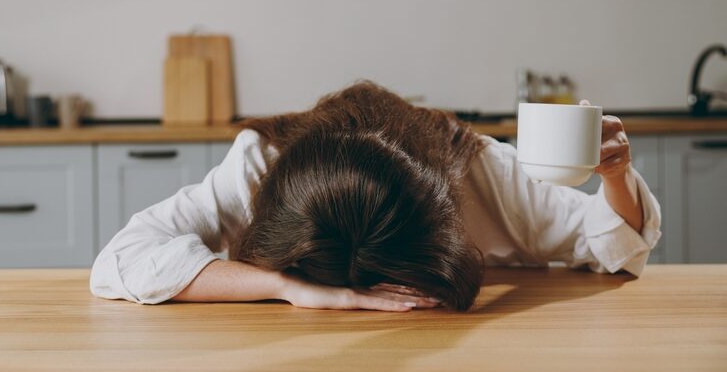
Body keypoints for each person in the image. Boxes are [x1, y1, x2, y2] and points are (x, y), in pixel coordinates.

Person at [90, 81, 661, 312]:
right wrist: (289, 287)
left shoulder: (477, 168)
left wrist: (613, 177)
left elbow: (613, 244)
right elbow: (120, 260)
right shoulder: (259, 165)